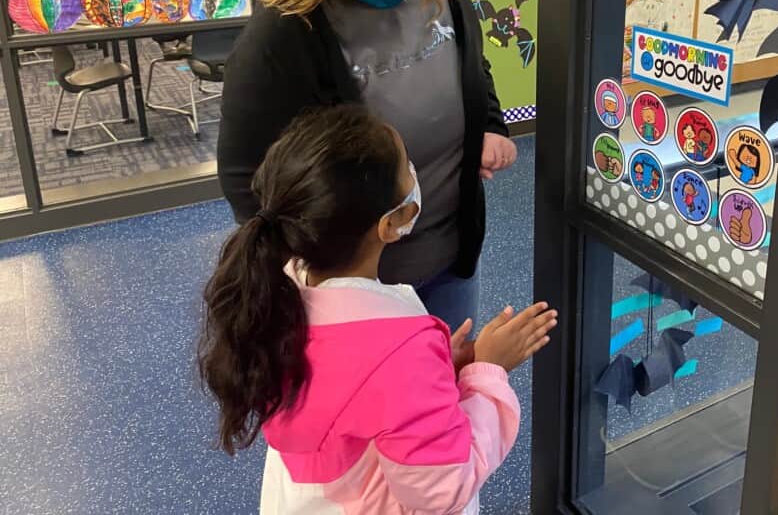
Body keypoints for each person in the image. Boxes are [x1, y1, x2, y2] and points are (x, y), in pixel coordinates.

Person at [217, 0, 517, 332]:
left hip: (448, 262)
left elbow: (473, 67)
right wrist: (314, 279)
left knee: (444, 399)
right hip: (350, 297)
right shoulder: (286, 31)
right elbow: (244, 178)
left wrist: (490, 124)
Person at [198, 105, 557, 514]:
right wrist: (486, 373)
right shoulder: (398, 350)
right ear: (390, 224)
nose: (415, 174)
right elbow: (443, 488)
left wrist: (436, 373)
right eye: (408, 167)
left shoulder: (277, 292)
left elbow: (354, 398)